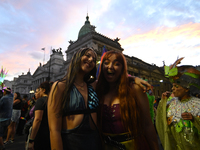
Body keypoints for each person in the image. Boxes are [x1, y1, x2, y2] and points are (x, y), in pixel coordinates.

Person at [48, 47, 151, 150]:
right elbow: (54, 130)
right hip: (73, 143)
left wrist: (133, 78)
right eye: (87, 55)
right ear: (77, 57)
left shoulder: (92, 85)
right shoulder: (60, 86)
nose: (91, 60)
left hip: (96, 143)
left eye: (93, 59)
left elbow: (115, 78)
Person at [96, 50, 159, 150]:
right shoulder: (97, 90)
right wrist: (133, 77)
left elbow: (147, 124)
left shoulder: (135, 89)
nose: (110, 67)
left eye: (116, 64)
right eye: (106, 63)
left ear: (122, 69)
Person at [156, 58, 200, 150]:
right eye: (172, 86)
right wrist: (163, 102)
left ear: (186, 88)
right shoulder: (171, 103)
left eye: (176, 86)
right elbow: (162, 121)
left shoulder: (197, 103)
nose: (172, 89)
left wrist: (194, 119)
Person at [28, 81, 52, 150]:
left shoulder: (41, 100)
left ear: (44, 90)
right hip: (51, 132)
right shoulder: (53, 100)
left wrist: (31, 139)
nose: (39, 92)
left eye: (40, 90)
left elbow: (38, 119)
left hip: (41, 132)